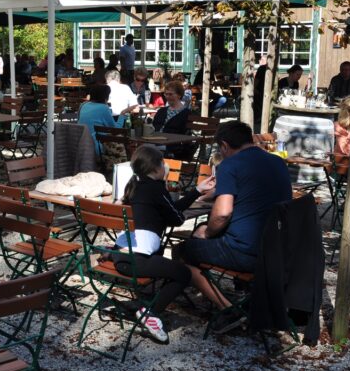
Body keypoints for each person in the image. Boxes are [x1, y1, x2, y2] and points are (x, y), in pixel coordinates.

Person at [177, 121, 292, 332]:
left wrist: (207, 232)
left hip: (245, 252)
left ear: (224, 145)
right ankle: (245, 296)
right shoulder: (277, 162)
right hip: (278, 250)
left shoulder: (230, 164)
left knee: (184, 251)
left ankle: (228, 310)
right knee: (203, 231)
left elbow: (222, 213)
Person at [112, 144, 215, 343]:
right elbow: (176, 219)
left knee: (166, 265)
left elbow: (169, 211)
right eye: (163, 163)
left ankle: (145, 304)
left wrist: (196, 191)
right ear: (155, 168)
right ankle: (150, 313)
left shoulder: (134, 185)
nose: (165, 166)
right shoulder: (156, 189)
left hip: (121, 254)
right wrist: (194, 193)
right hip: (138, 260)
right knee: (183, 273)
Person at [78, 84, 128, 155]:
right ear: (105, 96)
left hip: (81, 145)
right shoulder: (103, 108)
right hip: (96, 147)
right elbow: (115, 129)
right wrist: (122, 115)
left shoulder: (83, 105)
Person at [152, 81, 193, 160]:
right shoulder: (161, 111)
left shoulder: (186, 113)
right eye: (166, 94)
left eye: (170, 94)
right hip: (155, 142)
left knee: (148, 150)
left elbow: (184, 135)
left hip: (171, 146)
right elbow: (153, 128)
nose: (167, 96)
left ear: (179, 95)